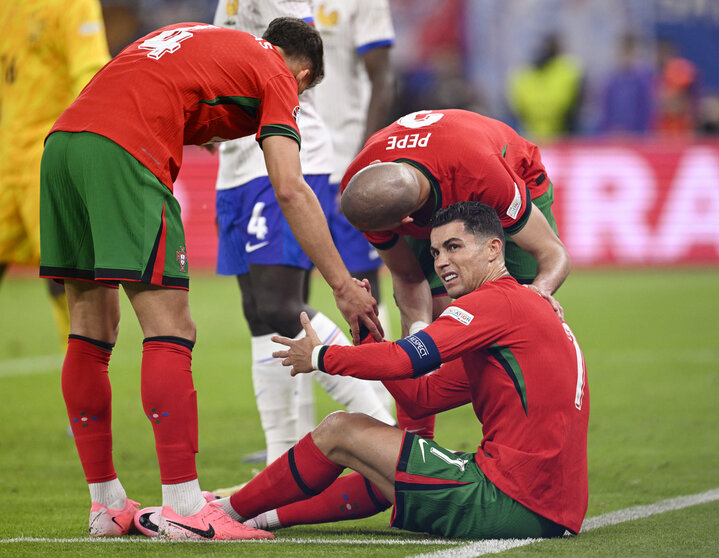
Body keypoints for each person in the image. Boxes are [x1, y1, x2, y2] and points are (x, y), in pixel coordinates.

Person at [40, 17, 381, 540]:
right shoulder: (278, 74)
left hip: (64, 145)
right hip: (126, 150)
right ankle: (184, 506)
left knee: (91, 328)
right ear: (304, 71)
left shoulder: (201, 37)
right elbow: (289, 187)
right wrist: (342, 283)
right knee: (171, 327)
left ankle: (105, 504)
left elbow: (166, 88)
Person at [208, 201, 589, 539]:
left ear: (493, 249)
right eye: (437, 251)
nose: (441, 261)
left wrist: (322, 355)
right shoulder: (523, 310)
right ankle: (254, 518)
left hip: (509, 498)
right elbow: (422, 398)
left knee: (341, 429)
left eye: (454, 247)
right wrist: (369, 336)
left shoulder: (494, 303)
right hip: (550, 508)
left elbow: (409, 358)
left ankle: (218, 516)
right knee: (376, 460)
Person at [211, 0, 394, 473]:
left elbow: (291, 58)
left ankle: (386, 432)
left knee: (279, 303)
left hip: (281, 144)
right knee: (259, 313)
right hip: (235, 159)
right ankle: (280, 458)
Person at [339, 108, 571, 437]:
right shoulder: (363, 188)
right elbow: (407, 277)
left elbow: (553, 253)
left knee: (512, 317)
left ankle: (521, 438)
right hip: (442, 176)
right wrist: (420, 335)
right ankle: (413, 448)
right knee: (425, 321)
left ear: (407, 222)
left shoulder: (485, 175)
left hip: (506, 173)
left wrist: (540, 291)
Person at [0, 0, 109, 348]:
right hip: (5, 153)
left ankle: (82, 374)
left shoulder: (73, 3)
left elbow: (90, 75)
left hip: (50, 153)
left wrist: (94, 146)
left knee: (66, 274)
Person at [314, 0, 396, 331]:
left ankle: (381, 382)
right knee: (280, 291)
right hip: (291, 162)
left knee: (362, 283)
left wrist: (362, 161)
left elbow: (383, 80)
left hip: (345, 160)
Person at [507, 33, 584, 140]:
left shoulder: (521, 75)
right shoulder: (568, 70)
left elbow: (517, 109)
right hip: (558, 135)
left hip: (532, 135)